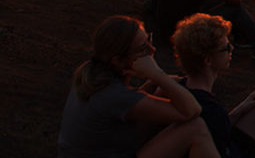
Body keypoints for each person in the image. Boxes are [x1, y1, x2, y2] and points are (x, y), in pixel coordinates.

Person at [58, 15, 220, 158]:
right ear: (118, 61)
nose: (152, 49)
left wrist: (154, 84)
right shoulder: (113, 95)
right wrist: (158, 75)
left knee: (162, 93)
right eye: (143, 48)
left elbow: (126, 106)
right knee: (195, 128)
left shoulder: (90, 72)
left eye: (149, 39)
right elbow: (192, 111)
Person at [173, 14, 255, 158]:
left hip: (223, 144)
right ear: (208, 60)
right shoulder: (208, 107)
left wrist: (240, 109)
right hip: (227, 151)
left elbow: (215, 128)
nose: (232, 48)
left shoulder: (183, 88)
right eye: (226, 48)